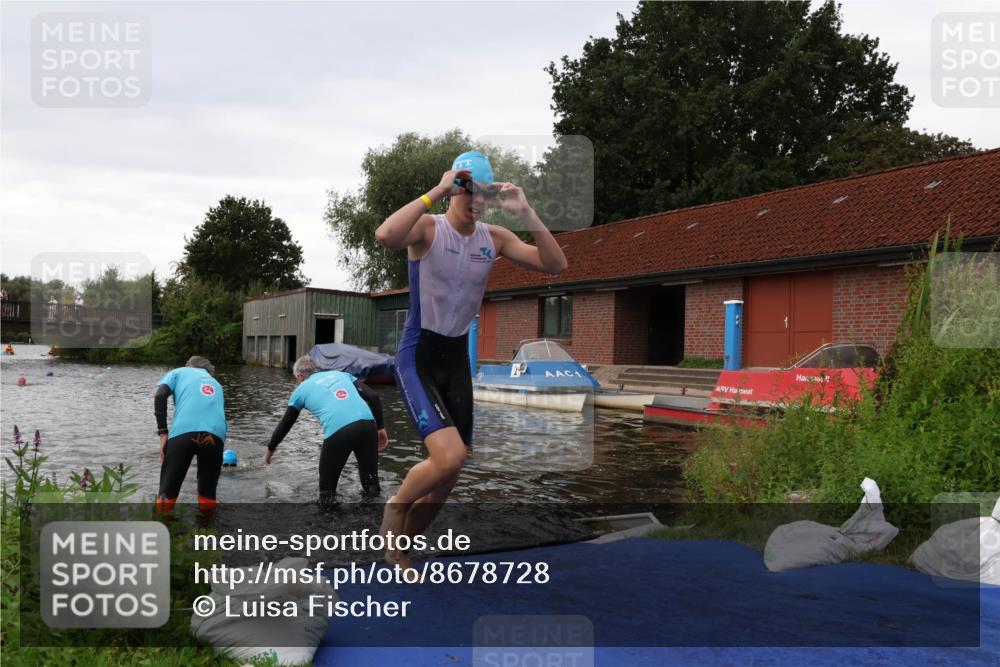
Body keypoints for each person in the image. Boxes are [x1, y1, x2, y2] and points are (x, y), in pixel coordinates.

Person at [373, 150, 567, 568]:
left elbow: (555, 265)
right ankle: (396, 505)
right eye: (467, 192)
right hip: (418, 354)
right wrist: (436, 190)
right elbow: (386, 235)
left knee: (449, 475)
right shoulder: (428, 228)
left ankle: (402, 547)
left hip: (456, 357)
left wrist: (527, 212)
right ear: (453, 192)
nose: (476, 202)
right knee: (450, 456)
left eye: (484, 196)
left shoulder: (492, 239)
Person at [263, 355, 388, 499]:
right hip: (368, 425)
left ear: (299, 377)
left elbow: (285, 424)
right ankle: (378, 517)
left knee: (327, 492)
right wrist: (380, 428)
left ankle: (328, 519)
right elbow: (373, 396)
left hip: (340, 431)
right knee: (371, 485)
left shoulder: (301, 389)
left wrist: (270, 450)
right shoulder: (342, 375)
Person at [154, 356, 227, 510]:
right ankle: (207, 530)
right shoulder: (217, 384)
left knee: (167, 496)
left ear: (188, 365)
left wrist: (163, 433)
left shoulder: (179, 372)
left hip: (184, 432)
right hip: (215, 436)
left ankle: (164, 527)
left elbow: (160, 395)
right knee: (208, 496)